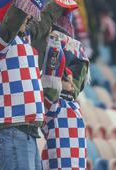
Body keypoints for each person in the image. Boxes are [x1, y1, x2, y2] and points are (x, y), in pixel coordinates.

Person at [0, 0, 70, 170]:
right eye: (26, 12)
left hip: (24, 131)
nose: (29, 16)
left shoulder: (23, 37)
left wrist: (60, 0)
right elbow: (16, 16)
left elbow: (44, 19)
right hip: (10, 129)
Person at [41, 30, 89, 170]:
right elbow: (51, 75)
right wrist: (55, 44)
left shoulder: (73, 106)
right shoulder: (53, 104)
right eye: (66, 78)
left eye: (70, 79)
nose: (70, 83)